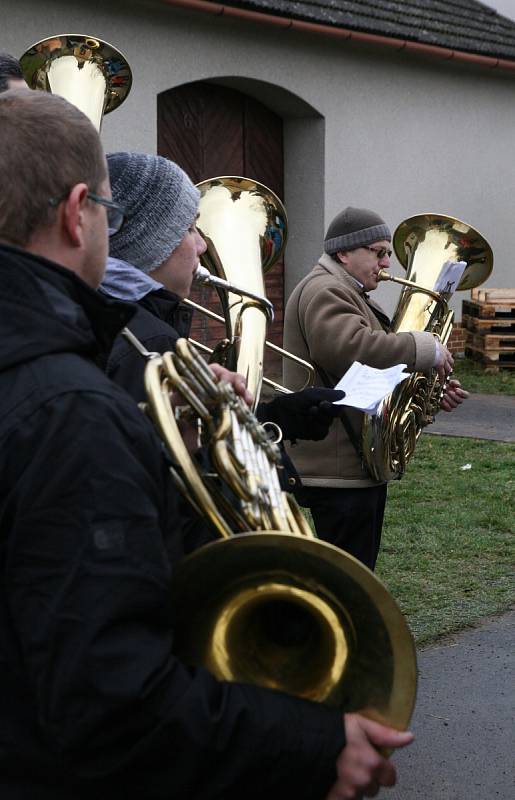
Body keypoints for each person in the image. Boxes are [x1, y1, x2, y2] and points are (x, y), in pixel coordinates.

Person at [0, 89, 413, 799]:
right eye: (109, 210)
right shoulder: (71, 408)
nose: (200, 244)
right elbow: (111, 699)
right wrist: (312, 745)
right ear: (76, 214)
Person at [102, 151, 345, 450]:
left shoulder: (122, 322)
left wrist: (275, 416)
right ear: (151, 243)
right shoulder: (145, 345)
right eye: (189, 229)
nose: (203, 245)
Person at [283, 206, 468, 570]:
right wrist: (422, 347)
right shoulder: (326, 289)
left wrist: (427, 387)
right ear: (344, 253)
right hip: (337, 463)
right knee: (347, 577)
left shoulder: (345, 289)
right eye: (378, 252)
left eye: (387, 253)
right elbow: (351, 351)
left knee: (354, 572)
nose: (386, 264)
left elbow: (368, 374)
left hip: (351, 461)